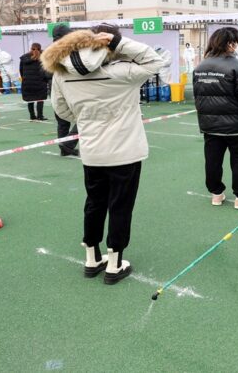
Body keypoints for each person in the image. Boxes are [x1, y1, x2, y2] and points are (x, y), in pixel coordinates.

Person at [43, 24, 163, 284]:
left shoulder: (61, 74)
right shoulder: (122, 71)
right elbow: (155, 60)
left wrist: (87, 117)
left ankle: (91, 257)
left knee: (94, 203)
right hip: (125, 151)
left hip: (92, 151)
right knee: (120, 206)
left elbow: (62, 112)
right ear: (104, 44)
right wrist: (119, 42)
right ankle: (115, 264)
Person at [193, 27, 238, 209]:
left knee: (213, 160)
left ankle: (216, 194)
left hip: (210, 126)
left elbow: (198, 98)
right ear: (231, 44)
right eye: (237, 42)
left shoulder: (200, 67)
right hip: (237, 127)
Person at [50, 25, 80, 156]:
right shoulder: (67, 51)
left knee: (62, 122)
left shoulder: (51, 52)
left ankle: (65, 147)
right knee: (85, 119)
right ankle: (67, 145)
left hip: (57, 90)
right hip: (69, 90)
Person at [19, 43, 48, 121]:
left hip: (27, 82)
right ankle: (40, 116)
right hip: (40, 81)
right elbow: (45, 71)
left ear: (31, 48)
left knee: (30, 99)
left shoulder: (24, 58)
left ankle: (32, 116)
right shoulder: (43, 58)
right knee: (40, 99)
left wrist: (25, 78)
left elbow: (21, 71)